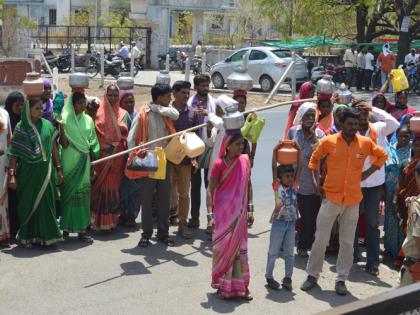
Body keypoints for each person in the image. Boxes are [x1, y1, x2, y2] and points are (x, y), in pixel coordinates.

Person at [301, 108, 387, 296]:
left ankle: (341, 279)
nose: (353, 127)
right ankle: (312, 275)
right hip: (330, 198)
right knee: (321, 239)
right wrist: (316, 184)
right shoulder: (329, 141)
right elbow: (314, 161)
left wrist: (368, 173)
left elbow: (382, 155)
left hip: (353, 201)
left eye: (356, 124)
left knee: (347, 242)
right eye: (350, 124)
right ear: (341, 124)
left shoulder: (365, 143)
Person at [8, 97, 63, 248]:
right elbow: (14, 153)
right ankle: (28, 236)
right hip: (28, 174)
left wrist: (59, 169)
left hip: (47, 172)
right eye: (37, 108)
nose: (41, 111)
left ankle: (48, 236)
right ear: (28, 110)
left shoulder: (47, 125)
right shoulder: (21, 127)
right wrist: (12, 175)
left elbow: (53, 149)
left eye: (42, 108)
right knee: (28, 204)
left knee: (47, 205)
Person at [352, 100, 399, 275]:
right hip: (355, 184)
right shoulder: (351, 130)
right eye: (359, 112)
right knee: (352, 221)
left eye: (365, 112)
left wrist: (373, 108)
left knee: (372, 224)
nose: (362, 115)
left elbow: (394, 123)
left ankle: (372, 263)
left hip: (374, 184)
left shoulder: (378, 128)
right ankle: (353, 255)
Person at [129, 83, 179, 247]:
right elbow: (132, 137)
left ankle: (163, 234)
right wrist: (134, 156)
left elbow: (176, 114)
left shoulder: (167, 111)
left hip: (164, 158)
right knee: (147, 198)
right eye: (168, 96)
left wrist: (159, 108)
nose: (170, 98)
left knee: (164, 199)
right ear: (159, 97)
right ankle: (146, 234)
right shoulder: (143, 113)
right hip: (148, 158)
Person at [207, 130, 254, 300]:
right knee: (224, 251)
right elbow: (210, 190)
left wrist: (251, 209)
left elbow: (249, 186)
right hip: (223, 216)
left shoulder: (245, 161)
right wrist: (209, 215)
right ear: (227, 145)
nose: (241, 147)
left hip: (240, 216)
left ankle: (241, 287)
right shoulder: (219, 164)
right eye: (238, 144)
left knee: (240, 251)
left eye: (243, 144)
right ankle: (223, 286)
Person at [59, 92, 100, 242]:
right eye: (79, 103)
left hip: (85, 160)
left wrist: (93, 156)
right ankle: (65, 229)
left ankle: (82, 230)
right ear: (72, 104)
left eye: (84, 102)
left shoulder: (88, 120)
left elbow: (93, 140)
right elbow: (62, 144)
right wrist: (62, 129)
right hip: (69, 159)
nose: (82, 106)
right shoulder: (64, 119)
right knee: (68, 194)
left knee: (83, 195)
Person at [287, 102, 325, 257]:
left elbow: (321, 154)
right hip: (294, 179)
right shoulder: (293, 132)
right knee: (291, 214)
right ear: (301, 117)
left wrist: (313, 135)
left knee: (309, 217)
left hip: (311, 182)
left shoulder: (320, 134)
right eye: (307, 115)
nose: (310, 118)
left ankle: (304, 245)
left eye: (312, 115)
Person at [91, 84, 131, 231]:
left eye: (115, 95)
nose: (113, 98)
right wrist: (104, 148)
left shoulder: (124, 114)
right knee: (100, 187)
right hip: (102, 157)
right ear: (105, 95)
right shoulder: (97, 113)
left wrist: (117, 146)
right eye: (110, 95)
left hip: (117, 157)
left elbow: (127, 136)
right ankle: (96, 220)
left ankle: (111, 221)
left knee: (113, 188)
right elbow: (94, 135)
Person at [170, 81, 200, 239]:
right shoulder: (166, 112)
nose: (186, 96)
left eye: (188, 93)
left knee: (184, 194)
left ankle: (183, 225)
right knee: (166, 193)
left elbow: (195, 138)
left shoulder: (193, 113)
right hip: (168, 159)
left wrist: (194, 158)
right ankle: (163, 228)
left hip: (186, 161)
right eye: (183, 92)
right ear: (174, 93)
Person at [187, 74, 216, 228]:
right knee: (195, 186)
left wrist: (212, 126)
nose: (206, 88)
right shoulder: (191, 103)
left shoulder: (213, 103)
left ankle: (211, 221)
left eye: (207, 85)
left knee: (210, 186)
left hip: (211, 148)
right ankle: (195, 218)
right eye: (203, 85)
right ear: (196, 87)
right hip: (196, 149)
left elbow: (220, 122)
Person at [265, 164, 298, 291]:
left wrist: (298, 151)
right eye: (287, 176)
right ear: (279, 178)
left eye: (291, 176)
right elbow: (273, 167)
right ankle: (269, 276)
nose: (290, 178)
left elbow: (299, 167)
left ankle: (288, 278)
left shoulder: (295, 186)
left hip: (291, 223)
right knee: (273, 251)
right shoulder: (277, 187)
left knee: (289, 252)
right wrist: (275, 150)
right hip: (279, 222)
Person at [384, 126, 411, 264]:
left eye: (406, 136)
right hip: (389, 190)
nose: (403, 138)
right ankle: (390, 250)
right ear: (397, 136)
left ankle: (402, 252)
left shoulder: (413, 150)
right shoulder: (389, 150)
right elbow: (384, 170)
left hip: (406, 191)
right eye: (401, 136)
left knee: (403, 221)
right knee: (390, 220)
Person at [119, 91, 140, 227]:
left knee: (135, 187)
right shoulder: (119, 117)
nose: (130, 105)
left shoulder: (138, 116)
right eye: (126, 102)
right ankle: (122, 214)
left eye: (131, 102)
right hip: (120, 157)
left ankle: (132, 215)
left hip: (136, 156)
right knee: (122, 187)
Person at [4, 91, 24, 238]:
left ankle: (19, 228)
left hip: (22, 164)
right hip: (6, 164)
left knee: (19, 197)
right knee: (10, 198)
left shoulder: (24, 121)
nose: (20, 108)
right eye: (17, 105)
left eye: (22, 105)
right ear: (10, 105)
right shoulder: (6, 120)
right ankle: (10, 229)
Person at [400, 161, 420, 287]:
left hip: (415, 265)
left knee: (405, 305)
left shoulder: (417, 205)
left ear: (417, 176)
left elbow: (418, 238)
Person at [397, 138, 420, 241]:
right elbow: (400, 181)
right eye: (416, 145)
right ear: (412, 146)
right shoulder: (406, 162)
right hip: (405, 198)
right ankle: (406, 252)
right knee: (407, 225)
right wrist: (396, 198)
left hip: (418, 200)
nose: (418, 148)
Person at [233, 89, 257, 165]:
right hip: (230, 153)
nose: (240, 105)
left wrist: (252, 156)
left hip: (244, 151)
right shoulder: (229, 117)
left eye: (242, 103)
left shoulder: (250, 117)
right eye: (237, 103)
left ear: (245, 104)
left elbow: (254, 139)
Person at [0, 106, 10, 246]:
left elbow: (10, 139)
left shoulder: (4, 113)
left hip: (3, 164)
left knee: (2, 198)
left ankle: (3, 233)